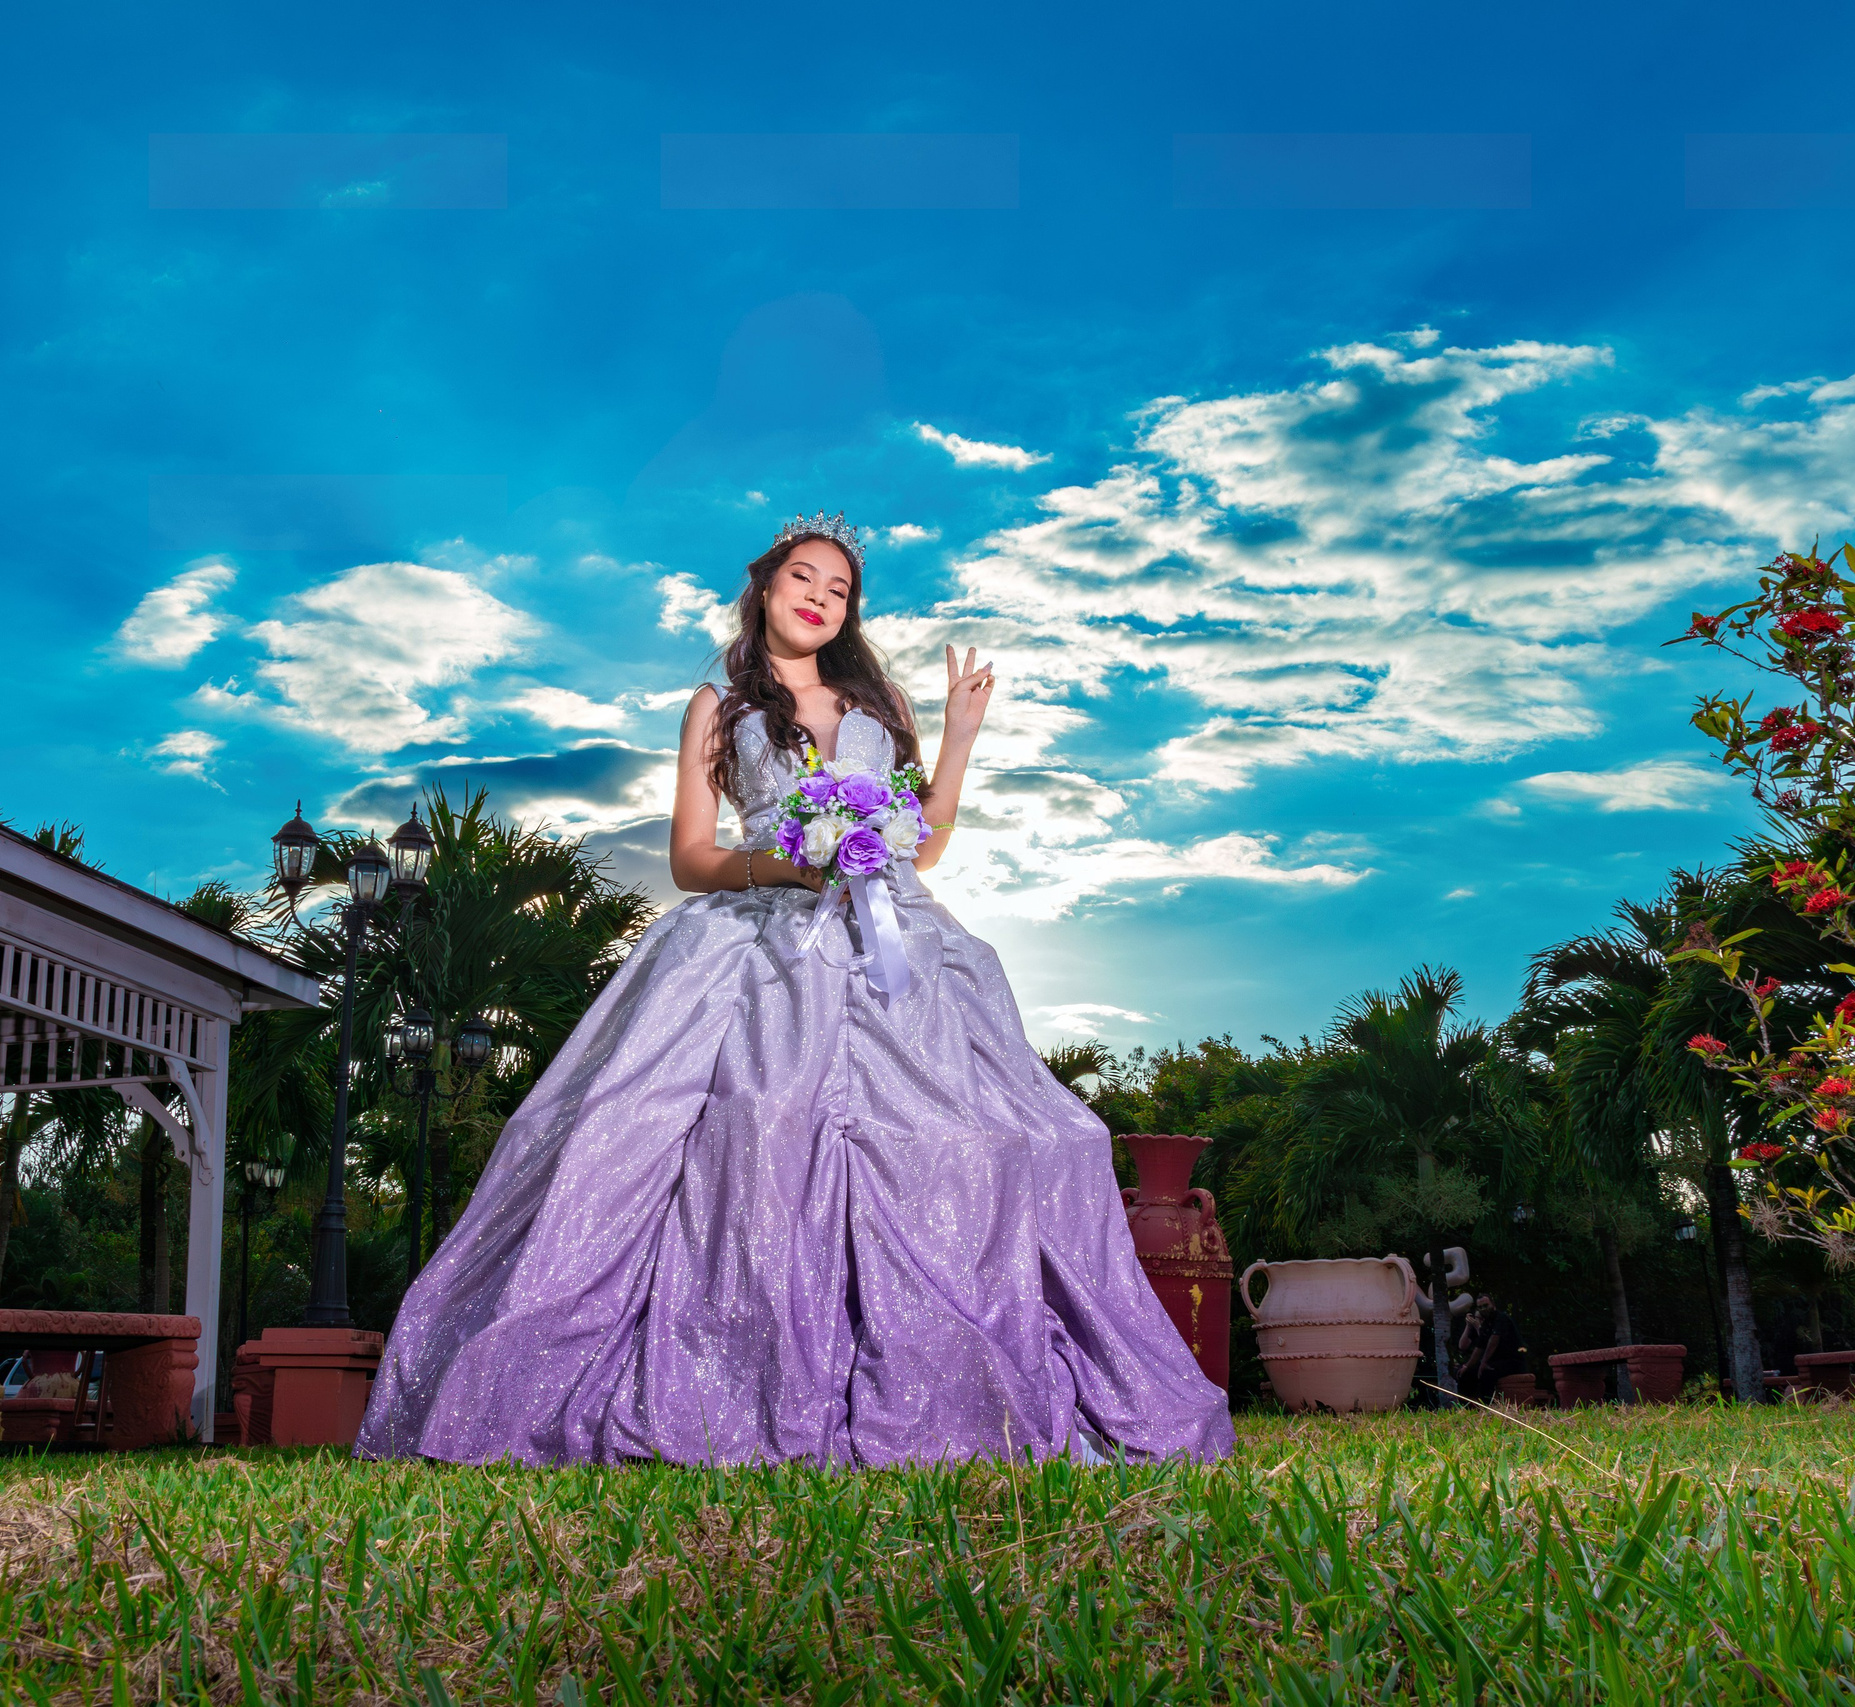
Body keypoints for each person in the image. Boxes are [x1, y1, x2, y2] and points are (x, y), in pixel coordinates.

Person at [356, 512, 1235, 1467]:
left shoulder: (879, 700)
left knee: (1029, 1134)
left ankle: (947, 1368)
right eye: (803, 579)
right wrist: (787, 860)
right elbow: (692, 859)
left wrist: (959, 737)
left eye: (840, 588)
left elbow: (924, 841)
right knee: (760, 1124)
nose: (820, 598)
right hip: (763, 939)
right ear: (765, 589)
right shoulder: (716, 706)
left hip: (897, 938)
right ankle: (729, 1378)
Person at [1456, 1295, 1525, 1403]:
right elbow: (1479, 1346)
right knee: (1465, 1373)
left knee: (1486, 1373)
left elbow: (1493, 1341)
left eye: (1485, 1305)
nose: (1483, 1309)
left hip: (1511, 1361)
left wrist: (1483, 1362)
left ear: (1493, 1304)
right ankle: (1466, 1407)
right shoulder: (1486, 1324)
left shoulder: (1501, 1318)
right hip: (1495, 1361)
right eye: (1480, 1307)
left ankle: (1487, 1406)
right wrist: (1467, 1366)